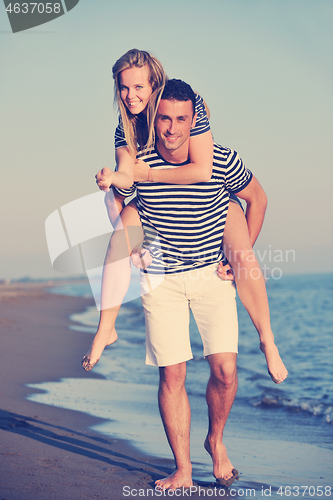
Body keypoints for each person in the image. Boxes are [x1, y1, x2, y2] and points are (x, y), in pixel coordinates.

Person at [82, 48, 287, 387]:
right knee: (120, 235)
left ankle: (266, 338)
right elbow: (125, 178)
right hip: (155, 233)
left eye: (139, 88)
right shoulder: (128, 129)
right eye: (123, 88)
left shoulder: (193, 109)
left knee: (242, 253)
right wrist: (112, 180)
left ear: (156, 86)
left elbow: (204, 169)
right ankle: (106, 329)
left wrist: (148, 176)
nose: (131, 96)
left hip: (214, 204)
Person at [112, 78, 270, 489]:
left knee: (227, 370)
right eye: (164, 118)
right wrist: (130, 244)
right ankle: (183, 469)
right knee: (173, 375)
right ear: (154, 117)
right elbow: (121, 200)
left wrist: (239, 257)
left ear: (195, 118)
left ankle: (215, 441)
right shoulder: (140, 157)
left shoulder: (220, 160)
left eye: (181, 118)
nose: (172, 128)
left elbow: (259, 199)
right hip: (161, 277)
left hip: (210, 276)